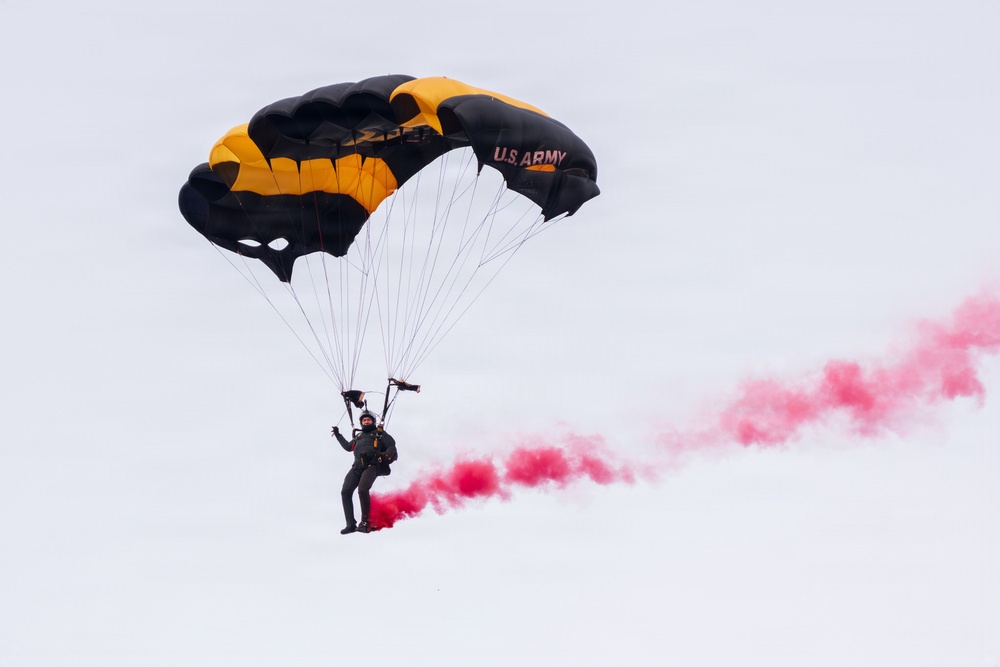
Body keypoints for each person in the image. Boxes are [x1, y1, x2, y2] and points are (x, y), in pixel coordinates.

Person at [332, 410, 397, 534]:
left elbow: (391, 446)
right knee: (345, 491)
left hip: (372, 465)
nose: (366, 422)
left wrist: (385, 455)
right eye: (364, 420)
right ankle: (350, 524)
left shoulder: (379, 434)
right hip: (357, 466)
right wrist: (338, 435)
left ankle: (366, 522)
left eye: (368, 420)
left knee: (362, 489)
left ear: (373, 421)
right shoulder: (359, 436)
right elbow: (348, 447)